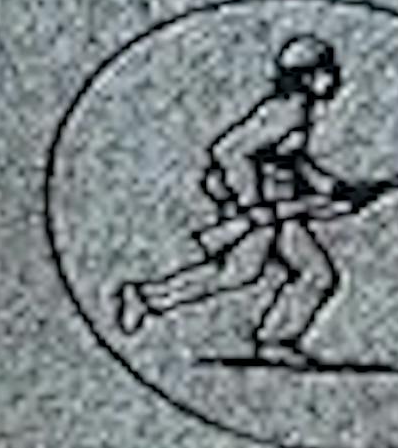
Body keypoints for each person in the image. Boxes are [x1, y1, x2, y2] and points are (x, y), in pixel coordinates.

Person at [116, 34, 350, 366]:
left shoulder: (299, 110)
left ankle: (275, 339)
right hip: (266, 207)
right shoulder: (285, 112)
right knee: (273, 274)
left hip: (279, 203)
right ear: (308, 76)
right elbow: (229, 150)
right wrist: (251, 207)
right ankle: (148, 297)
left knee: (281, 273)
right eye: (328, 70)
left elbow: (291, 158)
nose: (335, 78)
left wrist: (327, 185)